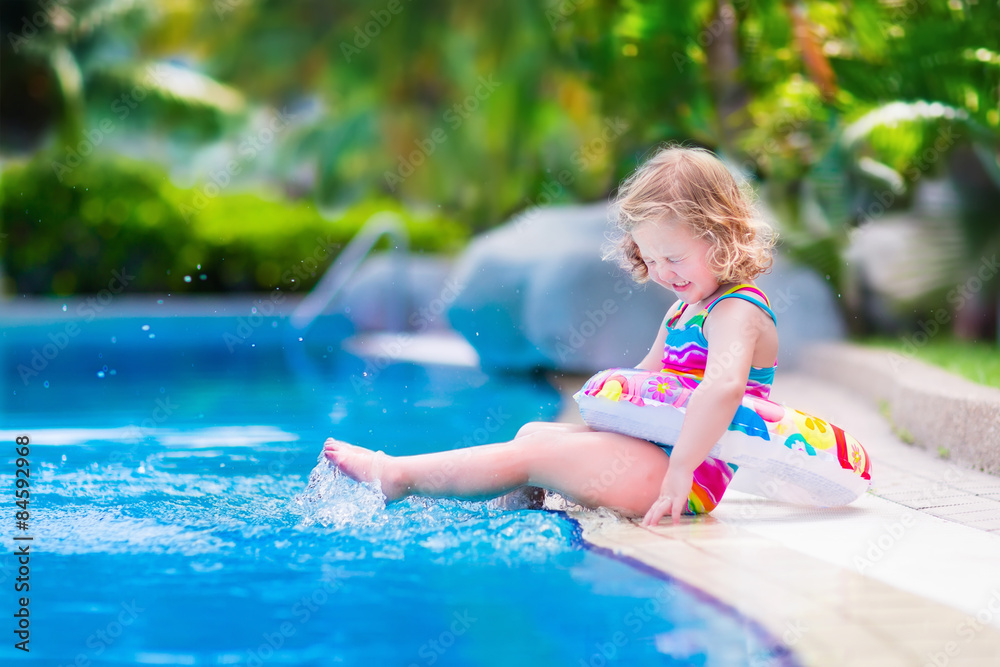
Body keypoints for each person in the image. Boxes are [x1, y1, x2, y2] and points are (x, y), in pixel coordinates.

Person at [324, 145, 777, 526]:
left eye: (672, 258)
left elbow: (723, 387)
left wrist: (680, 469)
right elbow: (647, 378)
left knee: (534, 458)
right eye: (651, 259)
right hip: (654, 457)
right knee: (532, 433)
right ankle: (500, 526)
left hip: (687, 477)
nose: (660, 272)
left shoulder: (736, 310)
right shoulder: (683, 312)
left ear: (720, 235)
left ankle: (395, 475)